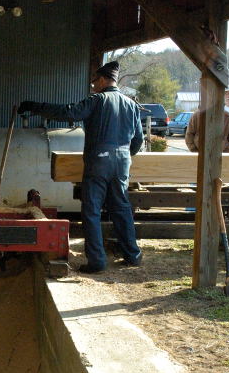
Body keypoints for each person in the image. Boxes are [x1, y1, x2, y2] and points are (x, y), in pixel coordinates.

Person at [18, 60, 143, 273]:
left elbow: (69, 113)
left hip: (99, 161)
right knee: (121, 208)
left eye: (94, 81)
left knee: (92, 210)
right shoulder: (131, 104)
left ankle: (97, 261)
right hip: (122, 161)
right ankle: (133, 255)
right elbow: (138, 141)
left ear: (103, 80)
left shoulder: (97, 100)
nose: (93, 85)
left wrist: (34, 107)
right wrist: (123, 156)